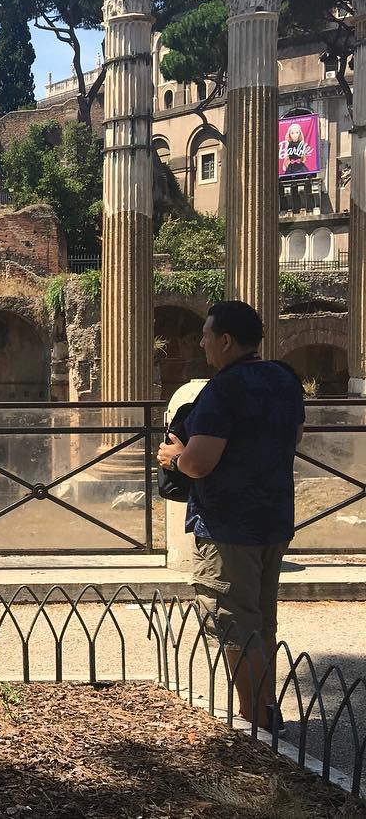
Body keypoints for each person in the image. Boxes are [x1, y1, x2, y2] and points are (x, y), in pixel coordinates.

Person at [157, 300, 305, 731]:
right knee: (262, 617)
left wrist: (173, 457)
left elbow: (199, 463)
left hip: (227, 524)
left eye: (205, 335)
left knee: (233, 621)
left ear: (225, 340)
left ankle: (256, 716)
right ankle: (264, 709)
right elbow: (293, 436)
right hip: (274, 516)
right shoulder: (285, 379)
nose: (201, 342)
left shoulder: (223, 388)